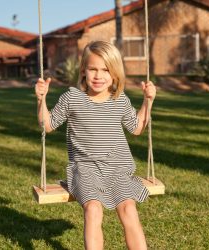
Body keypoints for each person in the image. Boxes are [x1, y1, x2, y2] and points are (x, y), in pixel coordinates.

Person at [35, 40, 156, 250]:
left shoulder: (120, 100)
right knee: (93, 209)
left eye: (105, 70)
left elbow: (137, 129)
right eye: (93, 69)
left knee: (128, 208)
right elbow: (48, 125)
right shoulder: (72, 98)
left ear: (115, 74)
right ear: (83, 70)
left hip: (117, 168)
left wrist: (148, 101)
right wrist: (41, 99)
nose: (99, 76)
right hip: (85, 169)